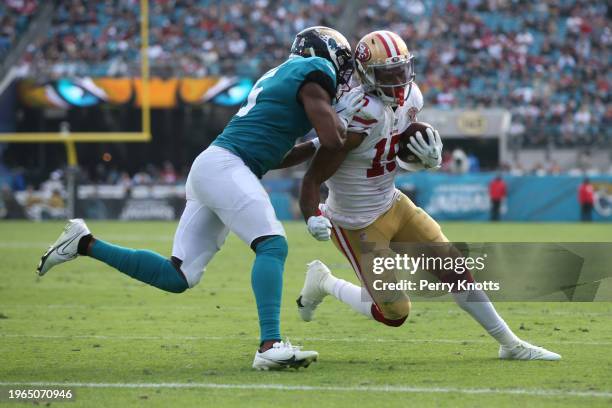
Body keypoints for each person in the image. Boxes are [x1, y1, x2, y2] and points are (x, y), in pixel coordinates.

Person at [36, 26, 365, 371]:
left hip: (217, 164)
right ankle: (270, 345)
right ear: (324, 54)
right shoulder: (316, 71)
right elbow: (332, 139)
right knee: (272, 244)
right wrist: (341, 121)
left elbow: (275, 156)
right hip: (226, 166)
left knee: (177, 276)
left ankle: (84, 243)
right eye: (340, 62)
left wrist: (321, 135)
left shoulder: (285, 75)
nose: (341, 72)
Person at [297, 30, 560, 361]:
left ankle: (511, 344)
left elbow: (388, 152)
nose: (397, 82)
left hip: (393, 203)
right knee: (394, 313)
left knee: (455, 268)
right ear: (366, 75)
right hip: (356, 223)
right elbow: (316, 174)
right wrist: (313, 216)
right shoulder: (356, 114)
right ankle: (324, 282)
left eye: (401, 71)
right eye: (386, 75)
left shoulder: (411, 98)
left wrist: (423, 162)